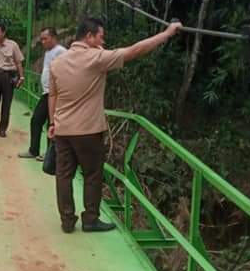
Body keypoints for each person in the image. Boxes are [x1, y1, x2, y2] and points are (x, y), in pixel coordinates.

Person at [48, 16, 182, 233]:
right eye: (100, 37)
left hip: (63, 130)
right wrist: (167, 33)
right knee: (92, 174)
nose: (103, 41)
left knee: (64, 175)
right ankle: (90, 220)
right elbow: (135, 51)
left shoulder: (57, 62)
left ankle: (67, 221)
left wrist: (52, 122)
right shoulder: (96, 57)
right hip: (88, 131)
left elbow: (52, 95)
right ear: (89, 36)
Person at [19, 27, 66, 160]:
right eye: (42, 39)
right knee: (37, 120)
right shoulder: (48, 52)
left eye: (45, 39)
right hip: (46, 93)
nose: (43, 42)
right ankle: (34, 150)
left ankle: (49, 154)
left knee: (51, 122)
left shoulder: (61, 52)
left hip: (55, 94)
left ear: (53, 37)